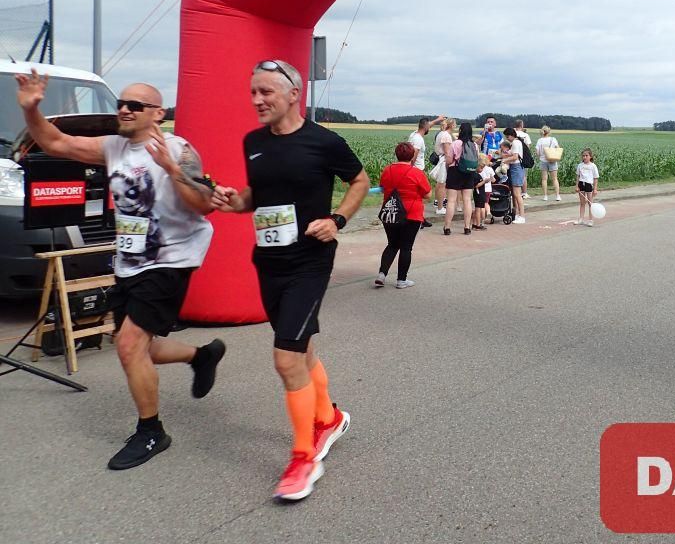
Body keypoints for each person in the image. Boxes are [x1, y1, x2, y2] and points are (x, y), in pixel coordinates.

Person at [15, 70, 225, 470]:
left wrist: (171, 168)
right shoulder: (112, 147)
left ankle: (151, 431)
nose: (125, 110)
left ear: (158, 113)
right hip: (130, 259)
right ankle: (201, 355)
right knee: (138, 346)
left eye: (135, 105)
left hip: (170, 258)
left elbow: (204, 205)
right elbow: (56, 142)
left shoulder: (177, 149)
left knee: (129, 345)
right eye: (121, 104)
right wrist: (32, 110)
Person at [211, 59, 369, 502]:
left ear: (294, 94)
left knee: (286, 358)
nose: (257, 100)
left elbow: (359, 181)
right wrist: (233, 200)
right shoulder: (253, 142)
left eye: (266, 92)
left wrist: (337, 219)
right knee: (301, 348)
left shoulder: (324, 141)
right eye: (253, 92)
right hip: (269, 261)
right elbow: (255, 197)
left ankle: (304, 458)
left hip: (309, 262)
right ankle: (329, 419)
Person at [375, 142, 432, 288]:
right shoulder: (417, 173)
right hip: (412, 214)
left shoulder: (387, 170)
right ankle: (401, 280)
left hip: (391, 212)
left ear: (396, 154)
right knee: (406, 247)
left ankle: (382, 274)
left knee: (392, 244)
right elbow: (427, 195)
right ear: (412, 155)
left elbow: (382, 188)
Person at [408, 115, 444, 228]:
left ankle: (420, 218)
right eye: (429, 126)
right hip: (417, 171)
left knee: (418, 197)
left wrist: (438, 120)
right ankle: (417, 220)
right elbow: (413, 156)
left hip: (415, 170)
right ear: (425, 127)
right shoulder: (418, 139)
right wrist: (411, 170)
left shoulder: (414, 134)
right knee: (421, 196)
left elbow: (428, 125)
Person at [443, 122, 476, 235]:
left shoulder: (455, 143)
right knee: (467, 200)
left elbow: (449, 160)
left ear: (460, 131)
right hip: (469, 173)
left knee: (451, 200)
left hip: (455, 171)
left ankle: (447, 227)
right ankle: (467, 227)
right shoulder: (474, 145)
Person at [500, 126, 527, 223]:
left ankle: (522, 216)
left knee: (517, 194)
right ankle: (519, 214)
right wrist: (504, 156)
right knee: (516, 194)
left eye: (507, 137)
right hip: (517, 168)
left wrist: (505, 160)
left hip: (516, 168)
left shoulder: (515, 143)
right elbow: (513, 154)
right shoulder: (517, 142)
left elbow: (515, 157)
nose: (507, 139)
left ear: (511, 135)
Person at [430, 118, 456, 215]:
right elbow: (447, 152)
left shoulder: (441, 133)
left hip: (440, 158)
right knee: (442, 184)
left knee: (439, 183)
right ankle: (440, 208)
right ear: (452, 125)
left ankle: (437, 202)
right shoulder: (446, 136)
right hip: (444, 160)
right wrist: (450, 164)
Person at [534, 125, 561, 201]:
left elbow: (537, 152)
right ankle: (557, 196)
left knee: (544, 179)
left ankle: (545, 196)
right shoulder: (553, 139)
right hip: (552, 160)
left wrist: (541, 156)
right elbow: (558, 148)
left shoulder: (540, 140)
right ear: (549, 132)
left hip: (543, 161)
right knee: (555, 179)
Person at [575, 147, 600, 227]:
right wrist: (577, 186)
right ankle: (581, 219)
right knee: (582, 203)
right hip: (581, 184)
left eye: (586, 155)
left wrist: (595, 189)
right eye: (583, 156)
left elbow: (596, 178)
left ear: (590, 156)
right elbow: (578, 176)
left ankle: (590, 220)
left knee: (590, 203)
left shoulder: (593, 166)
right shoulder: (580, 165)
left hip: (589, 185)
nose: (584, 157)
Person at [472, 154, 492, 231]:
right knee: (478, 209)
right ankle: (478, 224)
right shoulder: (476, 175)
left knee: (477, 209)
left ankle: (474, 224)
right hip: (478, 194)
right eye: (481, 168)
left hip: (480, 193)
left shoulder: (477, 175)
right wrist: (484, 181)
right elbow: (476, 185)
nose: (482, 170)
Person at [514, 119, 532, 198]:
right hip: (523, 157)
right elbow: (528, 147)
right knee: (524, 176)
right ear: (522, 125)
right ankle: (524, 193)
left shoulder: (513, 134)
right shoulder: (525, 135)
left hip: (514, 156)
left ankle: (513, 193)